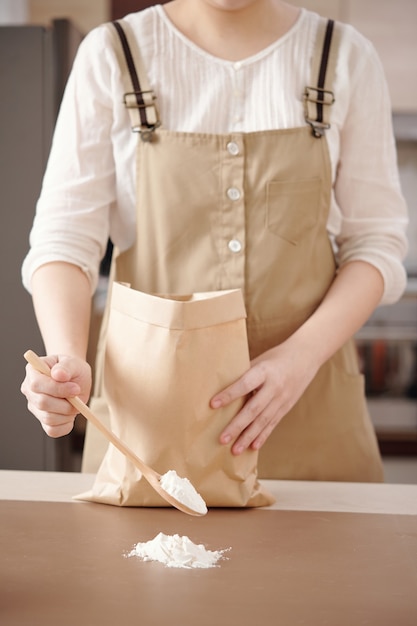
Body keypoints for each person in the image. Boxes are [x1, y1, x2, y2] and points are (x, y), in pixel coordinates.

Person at [21, 0, 408, 482]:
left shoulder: (345, 56)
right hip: (150, 430)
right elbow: (65, 238)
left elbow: (375, 243)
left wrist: (300, 357)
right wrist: (67, 356)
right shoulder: (113, 54)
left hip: (311, 413)